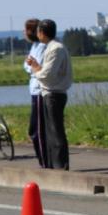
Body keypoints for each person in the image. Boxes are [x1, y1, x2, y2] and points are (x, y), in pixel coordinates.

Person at [25, 19, 72, 171]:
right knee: (50, 132)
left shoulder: (55, 48)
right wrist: (35, 67)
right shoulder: (52, 47)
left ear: (42, 32)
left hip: (53, 94)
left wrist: (35, 67)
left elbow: (47, 74)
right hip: (49, 93)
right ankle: (54, 164)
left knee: (55, 131)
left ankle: (60, 165)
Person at [22, 18, 47, 167]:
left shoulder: (42, 47)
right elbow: (27, 65)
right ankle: (43, 161)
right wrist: (29, 65)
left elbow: (34, 66)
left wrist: (30, 65)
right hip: (34, 90)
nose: (24, 33)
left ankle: (44, 162)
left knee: (36, 129)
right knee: (36, 129)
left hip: (39, 90)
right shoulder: (34, 46)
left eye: (26, 30)